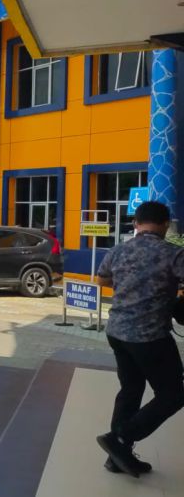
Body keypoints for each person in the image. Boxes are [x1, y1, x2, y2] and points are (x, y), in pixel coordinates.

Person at [95, 200, 184, 477]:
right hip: (150, 337)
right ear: (166, 225)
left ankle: (116, 459)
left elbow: (101, 281)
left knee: (130, 390)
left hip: (117, 332)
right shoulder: (173, 254)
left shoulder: (118, 250)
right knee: (173, 394)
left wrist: (130, 284)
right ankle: (120, 439)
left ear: (135, 223)